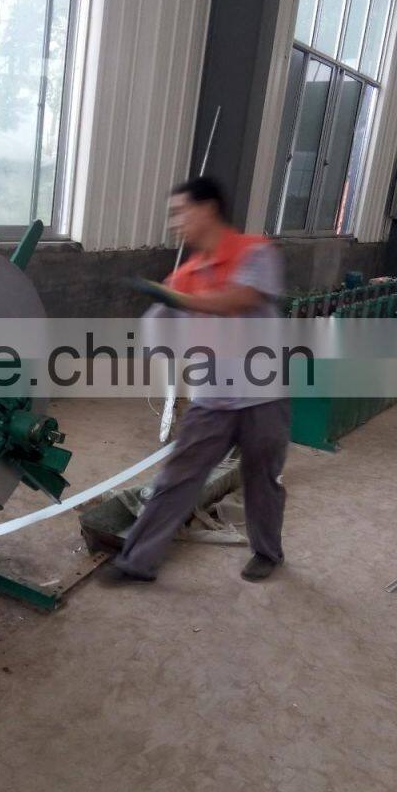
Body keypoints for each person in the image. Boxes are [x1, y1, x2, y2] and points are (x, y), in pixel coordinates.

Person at [102, 175, 290, 585]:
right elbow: (156, 334)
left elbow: (239, 299)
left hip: (263, 396)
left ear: (208, 209)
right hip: (212, 400)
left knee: (262, 481)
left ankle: (267, 553)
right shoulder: (185, 274)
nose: (175, 223)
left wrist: (178, 299)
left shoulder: (254, 252)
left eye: (180, 212)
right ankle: (136, 561)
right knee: (176, 478)